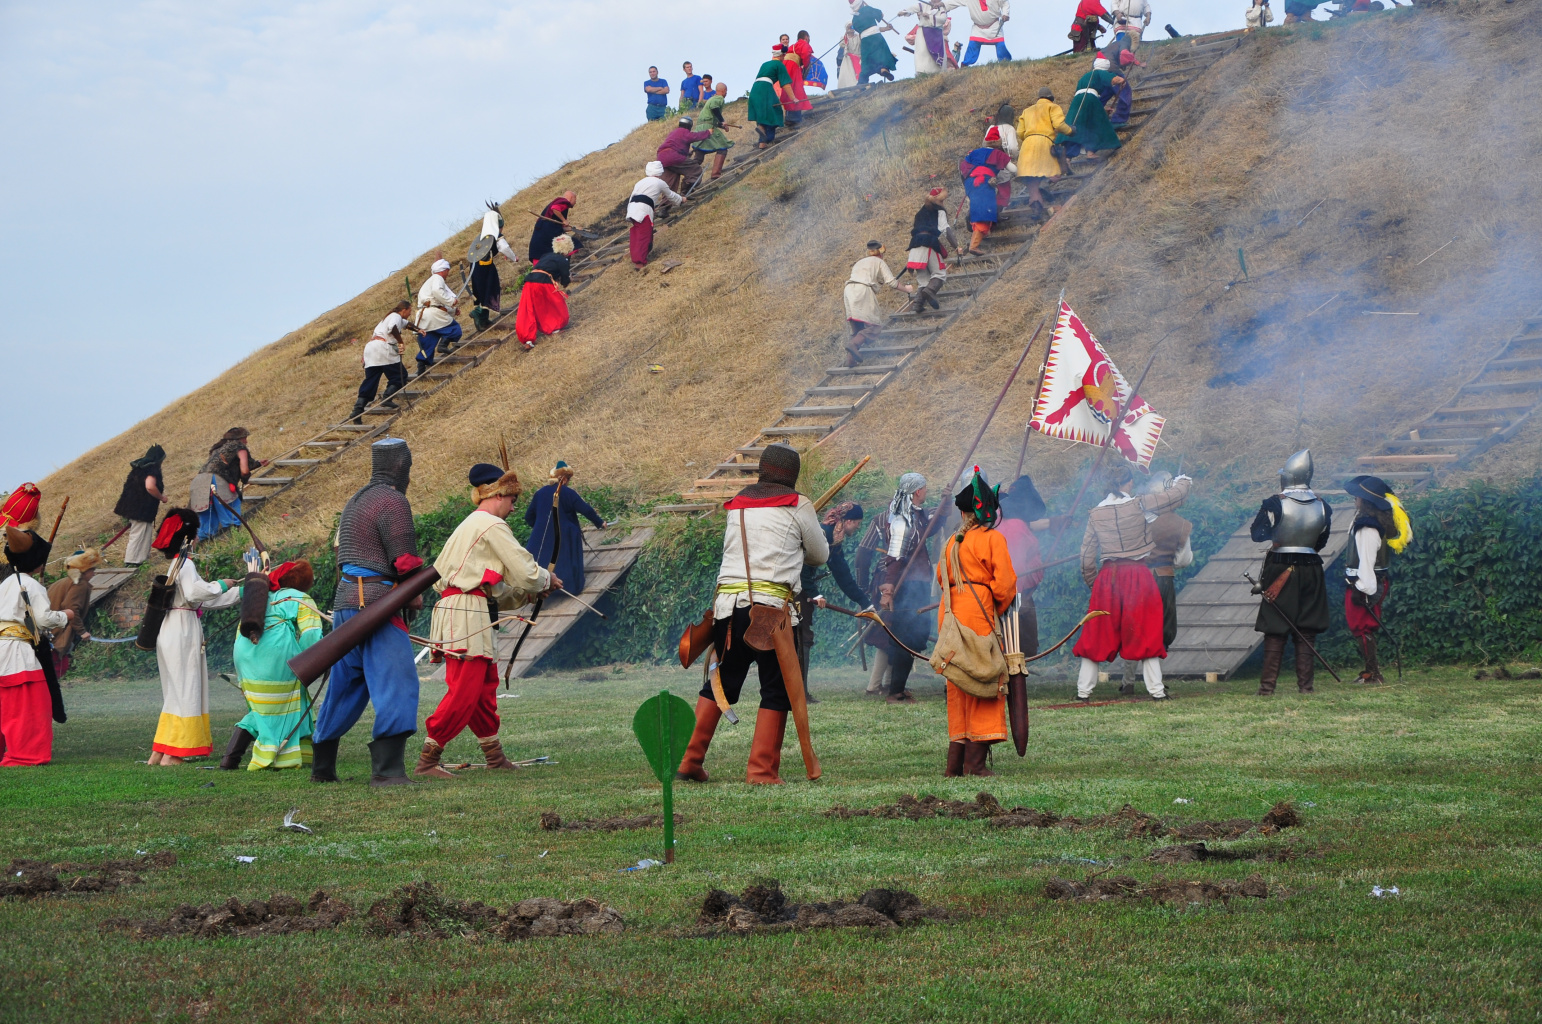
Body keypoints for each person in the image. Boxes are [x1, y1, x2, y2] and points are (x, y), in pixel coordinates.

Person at [674, 444, 828, 785]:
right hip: (771, 612)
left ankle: (688, 760)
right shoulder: (798, 504)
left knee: (720, 684)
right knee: (777, 689)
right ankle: (761, 771)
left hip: (727, 611)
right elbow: (819, 555)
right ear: (792, 474)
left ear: (762, 470)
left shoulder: (739, 504)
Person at [418, 465, 558, 779]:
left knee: (482, 689)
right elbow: (525, 571)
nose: (514, 506)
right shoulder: (490, 524)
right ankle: (428, 759)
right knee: (465, 689)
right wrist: (546, 579)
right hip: (465, 611)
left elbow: (493, 590)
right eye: (512, 499)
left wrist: (530, 595)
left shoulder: (475, 525)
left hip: (470, 607)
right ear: (499, 493)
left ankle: (494, 756)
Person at [310, 438, 425, 786]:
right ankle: (387, 772)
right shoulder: (392, 500)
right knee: (397, 682)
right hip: (376, 606)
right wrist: (415, 592)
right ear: (401, 466)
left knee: (345, 685)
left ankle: (323, 768)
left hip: (347, 604)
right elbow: (403, 561)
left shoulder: (355, 501)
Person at [1073, 464, 1192, 701]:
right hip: (1137, 576)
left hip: (1107, 578)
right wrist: (1184, 480)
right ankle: (1157, 691)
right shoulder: (1139, 503)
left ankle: (1083, 692)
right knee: (1147, 631)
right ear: (1128, 483)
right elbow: (1175, 497)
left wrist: (1095, 585)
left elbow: (1086, 557)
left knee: (1097, 632)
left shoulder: (1095, 513)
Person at [147, 509, 243, 765]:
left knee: (175, 691)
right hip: (181, 631)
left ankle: (161, 751)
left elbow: (202, 600)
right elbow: (194, 592)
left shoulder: (178, 563)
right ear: (188, 538)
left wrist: (242, 591)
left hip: (172, 628)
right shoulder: (185, 563)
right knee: (186, 688)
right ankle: (175, 754)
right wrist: (221, 584)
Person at [937, 470, 1017, 776]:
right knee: (984, 678)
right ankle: (975, 765)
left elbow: (941, 578)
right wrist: (996, 604)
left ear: (962, 512)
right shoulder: (992, 538)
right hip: (977, 614)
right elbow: (1006, 584)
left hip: (950, 615)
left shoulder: (950, 543)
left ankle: (954, 765)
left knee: (959, 682)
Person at [222, 559, 324, 771]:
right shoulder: (301, 598)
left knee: (263, 705)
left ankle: (231, 758)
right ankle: (263, 756)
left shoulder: (260, 597)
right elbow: (311, 636)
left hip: (244, 653)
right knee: (281, 704)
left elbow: (240, 632)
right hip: (275, 655)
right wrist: (311, 664)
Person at [1249, 449, 1331, 696]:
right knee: (1306, 626)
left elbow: (1257, 534)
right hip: (1312, 568)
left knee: (1275, 626)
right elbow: (1321, 541)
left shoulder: (1275, 503)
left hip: (1280, 566)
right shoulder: (1323, 505)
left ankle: (1267, 688)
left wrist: (1277, 536)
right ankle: (1305, 687)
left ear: (1286, 477)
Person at [0, 525, 73, 766]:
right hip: (17, 651)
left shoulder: (6, 583)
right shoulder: (30, 585)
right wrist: (65, 616)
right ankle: (25, 753)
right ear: (37, 561)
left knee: (6, 704)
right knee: (28, 704)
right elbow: (42, 619)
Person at [866, 473, 935, 703]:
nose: (926, 492)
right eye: (924, 489)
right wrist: (888, 590)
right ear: (917, 492)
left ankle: (898, 687)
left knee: (915, 637)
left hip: (917, 584)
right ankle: (895, 691)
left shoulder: (916, 515)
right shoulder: (902, 520)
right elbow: (895, 558)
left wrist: (944, 509)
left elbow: (929, 528)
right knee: (906, 638)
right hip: (907, 587)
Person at [1119, 471, 1191, 694]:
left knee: (1134, 627)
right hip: (1163, 579)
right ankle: (1155, 680)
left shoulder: (1135, 516)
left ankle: (1127, 682)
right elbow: (1184, 560)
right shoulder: (1181, 524)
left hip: (1136, 578)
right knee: (1161, 630)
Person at [796, 502, 870, 701]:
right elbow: (801, 566)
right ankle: (798, 693)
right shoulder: (823, 534)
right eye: (857, 523)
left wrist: (864, 602)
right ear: (847, 521)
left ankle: (798, 692)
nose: (857, 527)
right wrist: (815, 594)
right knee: (802, 637)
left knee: (801, 637)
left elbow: (842, 574)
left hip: (802, 590)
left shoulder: (834, 538)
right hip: (794, 591)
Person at [1342, 475, 1411, 686]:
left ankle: (1373, 674)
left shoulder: (1368, 527)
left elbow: (1367, 561)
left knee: (1362, 627)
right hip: (1369, 581)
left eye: (1357, 498)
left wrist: (1363, 589)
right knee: (1364, 627)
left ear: (1364, 501)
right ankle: (1371, 672)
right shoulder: (1371, 522)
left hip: (1366, 583)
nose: (1355, 501)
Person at [996, 474, 1060, 658]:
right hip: (1013, 593)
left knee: (1014, 644)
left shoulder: (1002, 519)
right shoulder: (1016, 526)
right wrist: (1021, 597)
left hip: (1007, 591)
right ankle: (1012, 685)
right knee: (1014, 646)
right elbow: (1015, 566)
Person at [524, 461, 606, 596]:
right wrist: (600, 522)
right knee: (566, 560)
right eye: (568, 479)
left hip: (542, 538)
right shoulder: (567, 492)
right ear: (563, 478)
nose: (568, 482)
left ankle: (545, 591)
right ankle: (570, 589)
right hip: (564, 536)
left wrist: (541, 527)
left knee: (544, 562)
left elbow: (528, 517)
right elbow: (585, 509)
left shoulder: (540, 493)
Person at [843, 240, 915, 366]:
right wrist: (906, 289)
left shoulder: (860, 262)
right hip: (863, 290)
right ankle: (853, 344)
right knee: (874, 327)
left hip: (848, 291)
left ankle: (850, 360)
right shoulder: (879, 262)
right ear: (881, 252)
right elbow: (892, 283)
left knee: (858, 328)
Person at [351, 301, 415, 424]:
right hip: (383, 348)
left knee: (371, 381)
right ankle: (387, 398)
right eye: (409, 311)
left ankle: (357, 411)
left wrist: (419, 329)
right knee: (400, 375)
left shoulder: (389, 317)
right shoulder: (395, 316)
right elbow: (393, 329)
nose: (410, 314)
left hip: (371, 349)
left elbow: (407, 324)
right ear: (404, 310)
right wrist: (400, 342)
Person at [1016, 87, 1072, 218]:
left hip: (1027, 146)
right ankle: (1045, 183)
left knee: (1032, 186)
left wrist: (1031, 139)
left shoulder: (1027, 111)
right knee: (1057, 172)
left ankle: (1036, 212)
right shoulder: (1052, 107)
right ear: (1051, 98)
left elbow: (1020, 132)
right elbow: (1059, 125)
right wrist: (1070, 131)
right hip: (1044, 143)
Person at [196, 427, 262, 540]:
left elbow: (229, 464)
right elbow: (244, 470)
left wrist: (258, 463)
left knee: (208, 517)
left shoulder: (219, 448)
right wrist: (245, 478)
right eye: (244, 438)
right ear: (239, 439)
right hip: (218, 481)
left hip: (199, 481)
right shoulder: (240, 447)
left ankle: (198, 546)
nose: (246, 441)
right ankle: (235, 540)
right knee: (232, 512)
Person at [46, 548, 101, 680]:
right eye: (91, 570)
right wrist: (82, 631)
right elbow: (71, 609)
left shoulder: (63, 582)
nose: (94, 573)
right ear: (83, 570)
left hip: (49, 632)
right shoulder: (79, 585)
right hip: (57, 633)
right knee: (57, 669)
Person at [959, 127, 1015, 255]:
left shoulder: (974, 152)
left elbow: (963, 167)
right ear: (998, 143)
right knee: (984, 212)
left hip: (971, 182)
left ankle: (977, 238)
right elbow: (1012, 169)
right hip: (983, 183)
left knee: (979, 209)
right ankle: (974, 246)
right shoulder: (998, 154)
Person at [1058, 56, 1125, 160]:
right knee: (1097, 123)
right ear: (1105, 68)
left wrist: (1101, 108)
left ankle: (1068, 158)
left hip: (1077, 101)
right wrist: (1122, 81)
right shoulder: (1100, 72)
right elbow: (1115, 79)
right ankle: (1091, 151)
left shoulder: (1085, 76)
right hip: (1090, 99)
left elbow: (1086, 97)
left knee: (1076, 126)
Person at [904, 188, 958, 313]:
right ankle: (930, 291)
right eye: (942, 201)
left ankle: (918, 304)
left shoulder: (919, 213)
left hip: (915, 246)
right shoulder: (939, 211)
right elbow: (945, 229)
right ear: (938, 201)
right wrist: (956, 246)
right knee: (939, 273)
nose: (943, 204)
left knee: (924, 279)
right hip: (929, 244)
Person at [515, 235, 573, 350]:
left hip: (529, 281)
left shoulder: (546, 255)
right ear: (568, 249)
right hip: (544, 282)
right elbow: (565, 281)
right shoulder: (564, 260)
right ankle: (555, 328)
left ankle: (527, 340)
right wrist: (569, 280)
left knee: (527, 309)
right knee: (554, 305)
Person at [113, 446, 169, 566]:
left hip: (134, 506)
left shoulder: (139, 469)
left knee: (145, 532)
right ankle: (131, 562)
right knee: (138, 534)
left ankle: (141, 560)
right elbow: (150, 486)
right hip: (140, 508)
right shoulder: (151, 469)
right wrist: (161, 497)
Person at [626, 162, 686, 268]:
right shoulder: (660, 183)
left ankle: (637, 259)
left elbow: (633, 197)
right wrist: (681, 199)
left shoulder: (640, 182)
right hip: (644, 211)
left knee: (636, 234)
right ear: (660, 172)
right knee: (644, 236)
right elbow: (671, 195)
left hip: (632, 209)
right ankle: (640, 262)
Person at [469, 202, 520, 318]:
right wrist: (514, 258)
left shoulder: (482, 237)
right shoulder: (495, 235)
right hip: (486, 267)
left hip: (475, 266)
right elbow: (504, 247)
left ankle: (481, 317)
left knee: (479, 289)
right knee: (490, 288)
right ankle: (480, 316)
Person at [414, 259, 462, 373]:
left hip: (424, 317)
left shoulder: (429, 281)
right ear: (444, 270)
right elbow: (437, 293)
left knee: (428, 341)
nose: (448, 274)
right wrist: (451, 301)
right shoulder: (437, 278)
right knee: (455, 330)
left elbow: (436, 302)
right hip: (434, 315)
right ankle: (443, 345)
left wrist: (453, 311)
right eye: (447, 271)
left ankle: (421, 366)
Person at [896, 0, 961, 75]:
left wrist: (929, 17)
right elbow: (914, 8)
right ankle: (922, 71)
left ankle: (936, 71)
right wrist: (905, 11)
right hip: (922, 32)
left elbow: (942, 19)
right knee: (922, 52)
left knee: (938, 55)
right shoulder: (924, 5)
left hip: (936, 34)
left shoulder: (942, 8)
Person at [748, 46, 792, 148]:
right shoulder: (779, 65)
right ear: (781, 55)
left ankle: (762, 142)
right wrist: (793, 98)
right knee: (775, 111)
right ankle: (765, 134)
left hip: (755, 90)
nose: (784, 56)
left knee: (762, 113)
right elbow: (785, 84)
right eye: (784, 54)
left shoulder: (765, 64)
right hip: (765, 89)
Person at [692, 82, 737, 180]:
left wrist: (722, 126)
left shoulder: (711, 99)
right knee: (723, 147)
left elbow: (711, 118)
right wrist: (722, 121)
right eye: (726, 91)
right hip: (708, 128)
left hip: (699, 129)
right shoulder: (718, 98)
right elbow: (714, 108)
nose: (726, 93)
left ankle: (690, 176)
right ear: (723, 91)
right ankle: (716, 174)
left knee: (699, 156)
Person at [657, 116, 712, 192]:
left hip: (662, 158)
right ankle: (686, 191)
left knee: (671, 181)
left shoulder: (673, 132)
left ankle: (667, 202)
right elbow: (694, 136)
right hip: (672, 156)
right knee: (695, 169)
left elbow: (675, 145)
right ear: (689, 125)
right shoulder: (683, 132)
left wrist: (686, 153)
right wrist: (708, 132)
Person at [851, 2, 899, 82]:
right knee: (882, 55)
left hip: (864, 41)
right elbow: (881, 15)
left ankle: (862, 83)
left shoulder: (854, 18)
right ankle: (883, 69)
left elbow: (868, 30)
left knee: (866, 61)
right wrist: (872, 11)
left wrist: (886, 28)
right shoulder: (867, 9)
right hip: (876, 38)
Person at [529, 192, 578, 261]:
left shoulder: (561, 206)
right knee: (572, 244)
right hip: (547, 233)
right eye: (575, 199)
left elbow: (560, 228)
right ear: (571, 198)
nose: (575, 202)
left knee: (544, 255)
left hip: (542, 237)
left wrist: (574, 229)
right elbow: (555, 208)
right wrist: (564, 220)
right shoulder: (564, 202)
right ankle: (565, 264)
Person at [961, 0, 1012, 64]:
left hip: (994, 26)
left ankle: (1005, 62)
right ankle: (965, 64)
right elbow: (954, 1)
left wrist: (1005, 14)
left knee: (1001, 46)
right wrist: (945, 6)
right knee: (972, 46)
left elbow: (1004, 3)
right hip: (978, 28)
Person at [779, 39, 813, 127]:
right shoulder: (803, 44)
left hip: (786, 65)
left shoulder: (793, 46)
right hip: (793, 66)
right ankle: (793, 118)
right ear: (806, 37)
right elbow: (805, 55)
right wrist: (806, 66)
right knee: (797, 90)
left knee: (789, 89)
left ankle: (789, 116)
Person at [1109, 49, 1143, 125]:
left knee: (1104, 94)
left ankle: (1094, 120)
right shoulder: (1126, 42)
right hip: (1112, 69)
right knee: (1126, 92)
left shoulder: (1111, 49)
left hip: (1100, 68)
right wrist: (1138, 62)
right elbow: (1124, 52)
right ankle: (1118, 121)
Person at [837, 22, 864, 88]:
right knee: (848, 75)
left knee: (859, 74)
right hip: (848, 60)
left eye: (851, 26)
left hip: (858, 58)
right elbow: (842, 47)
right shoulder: (844, 39)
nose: (850, 27)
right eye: (848, 26)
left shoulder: (858, 36)